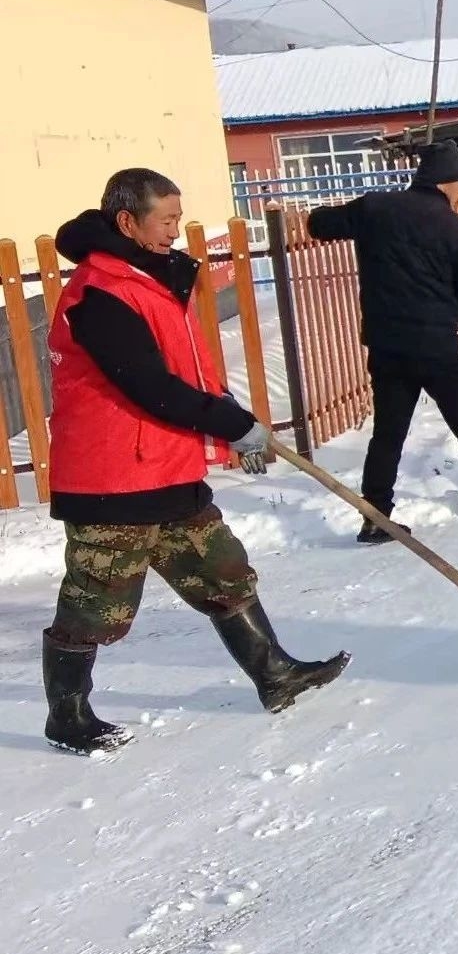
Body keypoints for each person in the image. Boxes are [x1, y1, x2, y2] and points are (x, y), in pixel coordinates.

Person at [43, 169, 349, 754]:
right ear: (128, 221)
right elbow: (150, 387)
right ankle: (68, 716)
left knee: (223, 570)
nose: (175, 232)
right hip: (116, 478)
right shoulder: (99, 293)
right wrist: (235, 424)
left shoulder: (148, 279)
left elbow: (186, 373)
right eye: (166, 220)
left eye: (179, 220)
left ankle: (275, 674)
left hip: (166, 465)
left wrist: (230, 422)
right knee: (96, 602)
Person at [307, 140, 458, 543]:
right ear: (448, 182)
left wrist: (355, 218)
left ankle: (375, 516)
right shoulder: (455, 230)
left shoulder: (374, 209)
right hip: (434, 346)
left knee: (388, 432)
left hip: (386, 345)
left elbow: (317, 224)